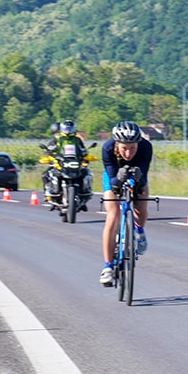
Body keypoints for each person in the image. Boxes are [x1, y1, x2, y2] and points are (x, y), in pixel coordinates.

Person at [99, 121, 153, 285]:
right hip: (114, 175)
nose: (128, 153)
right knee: (113, 215)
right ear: (117, 144)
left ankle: (139, 231)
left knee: (141, 207)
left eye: (132, 148)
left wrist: (136, 177)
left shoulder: (146, 147)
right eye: (124, 148)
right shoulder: (108, 148)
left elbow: (143, 176)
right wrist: (119, 178)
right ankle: (107, 266)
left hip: (137, 173)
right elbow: (113, 180)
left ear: (138, 144)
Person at [42, 120, 92, 200]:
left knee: (85, 172)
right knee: (46, 174)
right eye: (56, 133)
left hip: (73, 162)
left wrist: (84, 155)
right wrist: (50, 153)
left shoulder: (76, 140)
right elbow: (49, 151)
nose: (57, 134)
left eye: (58, 132)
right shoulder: (55, 141)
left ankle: (84, 191)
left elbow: (82, 149)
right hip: (59, 163)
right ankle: (48, 192)